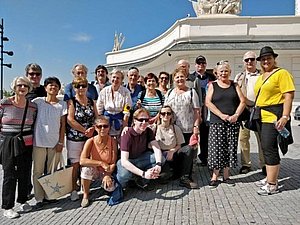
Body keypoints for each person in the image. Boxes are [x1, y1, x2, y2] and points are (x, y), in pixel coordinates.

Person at [254, 46, 295, 195]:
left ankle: (272, 184)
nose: (266, 61)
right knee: (265, 148)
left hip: (273, 117)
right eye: (263, 59)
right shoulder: (262, 76)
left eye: (268, 58)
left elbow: (288, 96)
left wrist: (285, 116)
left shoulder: (282, 73)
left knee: (270, 148)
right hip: (261, 116)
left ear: (274, 59)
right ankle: (269, 177)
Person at [0, 77, 37, 219]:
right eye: (19, 85)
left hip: (26, 141)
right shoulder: (4, 103)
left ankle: (23, 200)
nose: (22, 88)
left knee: (25, 172)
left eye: (25, 86)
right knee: (9, 174)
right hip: (8, 141)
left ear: (29, 88)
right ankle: (8, 206)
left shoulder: (33, 106)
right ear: (14, 87)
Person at [206, 61, 246, 188]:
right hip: (217, 122)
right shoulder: (213, 85)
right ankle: (214, 176)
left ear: (230, 72)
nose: (224, 73)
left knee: (230, 147)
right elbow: (208, 103)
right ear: (217, 73)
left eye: (226, 71)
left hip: (232, 122)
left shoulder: (235, 85)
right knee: (216, 148)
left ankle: (227, 175)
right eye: (221, 71)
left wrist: (236, 115)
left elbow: (243, 101)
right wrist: (221, 115)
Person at [32, 77, 67, 209]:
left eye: (56, 86)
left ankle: (49, 195)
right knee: (38, 171)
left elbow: (63, 125)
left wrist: (61, 142)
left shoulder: (62, 105)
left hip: (54, 142)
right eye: (50, 85)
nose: (53, 88)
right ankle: (39, 198)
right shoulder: (38, 102)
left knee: (52, 170)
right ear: (45, 88)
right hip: (39, 141)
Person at [164, 68, 200, 179]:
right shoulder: (170, 92)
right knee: (175, 152)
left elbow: (197, 111)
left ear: (186, 78)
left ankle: (186, 175)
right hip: (173, 128)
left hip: (187, 128)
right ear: (174, 79)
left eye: (182, 76)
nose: (180, 79)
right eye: (177, 77)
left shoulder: (191, 92)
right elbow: (165, 109)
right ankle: (176, 173)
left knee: (187, 152)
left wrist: (196, 127)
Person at [66, 77, 98, 201]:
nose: (81, 88)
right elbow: (70, 119)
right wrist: (84, 130)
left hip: (89, 137)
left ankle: (85, 188)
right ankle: (73, 189)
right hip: (75, 138)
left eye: (83, 86)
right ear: (74, 88)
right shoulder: (72, 102)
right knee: (75, 165)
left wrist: (93, 128)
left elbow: (97, 117)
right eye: (78, 86)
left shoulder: (91, 101)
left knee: (87, 162)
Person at [116, 108, 163, 192]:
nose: (144, 123)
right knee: (124, 175)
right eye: (141, 120)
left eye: (146, 120)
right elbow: (124, 161)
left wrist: (158, 165)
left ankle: (140, 180)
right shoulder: (127, 133)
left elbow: (157, 148)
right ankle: (121, 184)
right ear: (134, 120)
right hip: (128, 160)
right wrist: (144, 174)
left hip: (141, 158)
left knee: (161, 158)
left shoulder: (148, 131)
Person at [234, 51, 265, 175]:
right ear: (244, 62)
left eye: (251, 59)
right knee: (243, 138)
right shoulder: (239, 76)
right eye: (246, 60)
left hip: (259, 110)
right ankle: (246, 164)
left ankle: (264, 164)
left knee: (261, 139)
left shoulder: (262, 75)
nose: (249, 62)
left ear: (255, 60)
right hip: (244, 111)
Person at [155, 106, 198, 188]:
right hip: (161, 156)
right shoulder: (155, 128)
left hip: (174, 153)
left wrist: (172, 151)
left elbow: (180, 144)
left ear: (171, 115)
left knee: (188, 149)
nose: (166, 115)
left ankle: (184, 178)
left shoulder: (175, 128)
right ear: (160, 115)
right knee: (163, 178)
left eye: (168, 113)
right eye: (163, 113)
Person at [80, 116, 118, 208]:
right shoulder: (90, 141)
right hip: (94, 170)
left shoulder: (113, 141)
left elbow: (113, 162)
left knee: (110, 189)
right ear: (95, 127)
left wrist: (107, 174)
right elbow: (82, 160)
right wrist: (101, 163)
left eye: (105, 126)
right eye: (99, 126)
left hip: (106, 171)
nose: (102, 129)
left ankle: (103, 184)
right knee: (86, 169)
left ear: (109, 127)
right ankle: (85, 194)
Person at [24, 63, 47, 199]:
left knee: (42, 165)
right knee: (26, 165)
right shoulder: (23, 90)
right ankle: (26, 191)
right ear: (27, 75)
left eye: (37, 74)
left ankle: (44, 190)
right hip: (27, 133)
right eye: (31, 74)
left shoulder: (45, 90)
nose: (34, 76)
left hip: (42, 134)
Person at [190, 55, 216, 166]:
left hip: (208, 110)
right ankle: (191, 160)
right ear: (195, 65)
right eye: (198, 63)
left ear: (205, 65)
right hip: (195, 110)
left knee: (206, 135)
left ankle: (205, 158)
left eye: (203, 63)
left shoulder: (211, 77)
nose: (201, 66)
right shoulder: (190, 78)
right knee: (193, 135)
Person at [97, 69, 132, 140]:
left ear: (122, 80)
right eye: (114, 77)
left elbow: (127, 110)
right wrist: (100, 126)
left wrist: (124, 127)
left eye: (118, 78)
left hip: (120, 122)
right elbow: (99, 109)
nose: (115, 79)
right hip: (106, 122)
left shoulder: (126, 92)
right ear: (110, 78)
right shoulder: (104, 91)